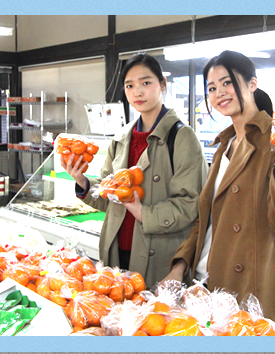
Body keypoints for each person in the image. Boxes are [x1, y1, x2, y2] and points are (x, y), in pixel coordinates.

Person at [162, 50, 275, 324]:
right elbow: (207, 221)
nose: (219, 92)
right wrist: (180, 266)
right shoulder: (225, 145)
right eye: (211, 87)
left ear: (252, 84)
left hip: (251, 296)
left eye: (227, 82)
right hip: (207, 286)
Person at [61, 53, 208, 287]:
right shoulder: (121, 139)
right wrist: (82, 181)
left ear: (163, 85)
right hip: (116, 253)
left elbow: (190, 205)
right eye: (130, 85)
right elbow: (107, 196)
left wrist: (142, 212)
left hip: (158, 255)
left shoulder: (182, 138)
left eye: (146, 83)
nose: (137, 92)